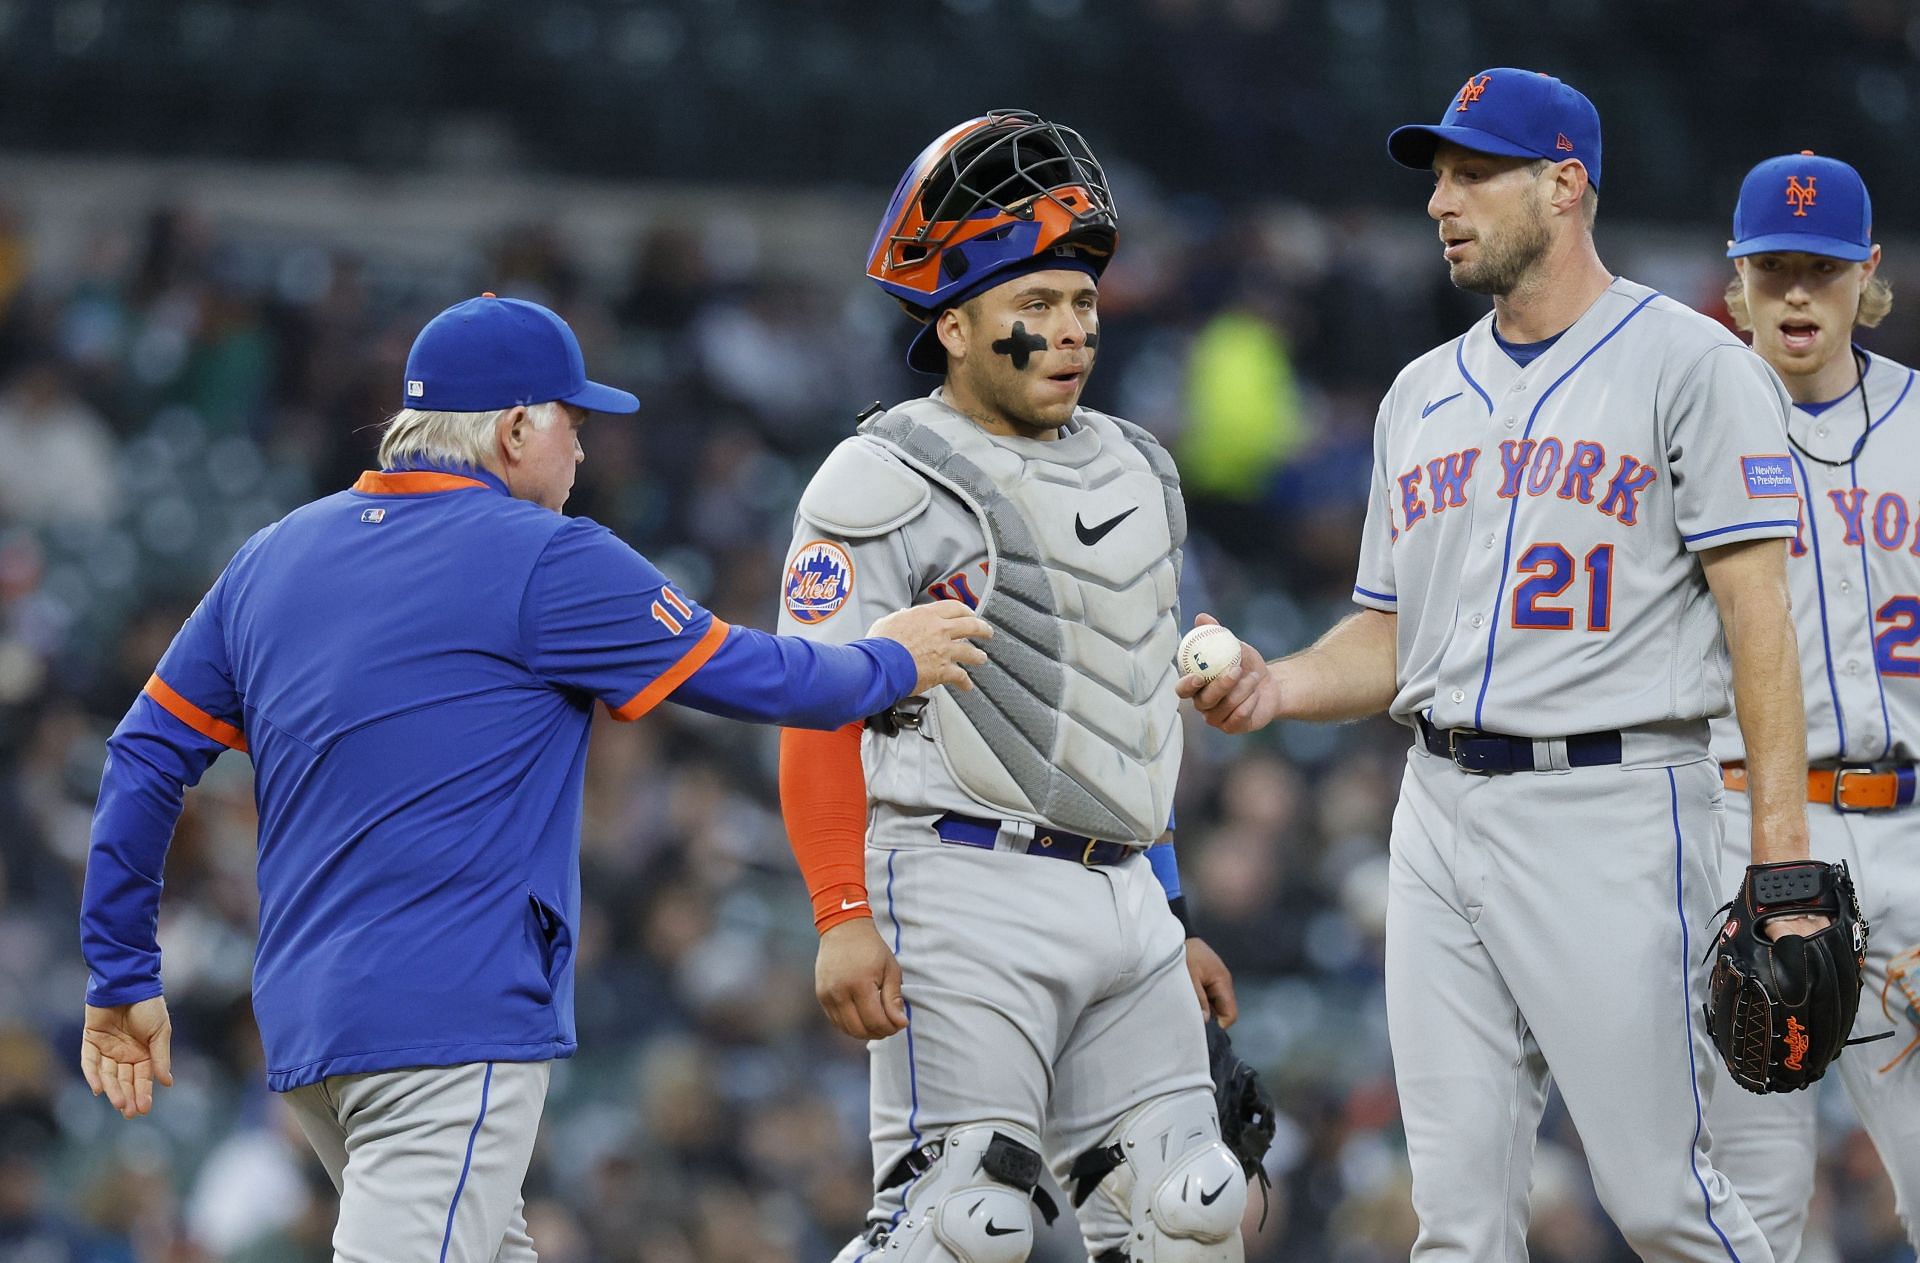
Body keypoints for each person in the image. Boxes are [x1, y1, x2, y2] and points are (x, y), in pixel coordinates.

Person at [77, 293, 991, 1263]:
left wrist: (120, 970)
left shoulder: (272, 558)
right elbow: (759, 675)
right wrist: (890, 657)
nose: (584, 453)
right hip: (448, 1017)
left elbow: (142, 755)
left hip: (312, 1027)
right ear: (515, 427)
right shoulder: (544, 558)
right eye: (574, 423)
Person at [1184, 68, 1823, 1260]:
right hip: (1435, 812)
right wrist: (1279, 685)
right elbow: (1387, 633)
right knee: (1457, 1225)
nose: (1443, 200)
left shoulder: (1691, 364)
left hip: (1615, 807)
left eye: (1475, 172)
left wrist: (1782, 863)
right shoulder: (1420, 395)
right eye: (1438, 176)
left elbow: (1762, 625)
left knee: (1662, 1202)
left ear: (1565, 185)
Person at [776, 110, 1248, 1262]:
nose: (1072, 330)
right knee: (962, 1230)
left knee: (1193, 1208)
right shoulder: (879, 475)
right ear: (952, 324)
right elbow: (812, 707)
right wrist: (840, 913)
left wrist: (1172, 911)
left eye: (1082, 302)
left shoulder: (1138, 465)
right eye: (1034, 307)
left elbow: (1125, 716)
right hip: (955, 881)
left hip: (1125, 894)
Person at [1703, 151, 1920, 1260]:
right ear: (1736, 276)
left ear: (1868, 272)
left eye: (1822, 269)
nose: (1797, 293)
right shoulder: (1681, 431)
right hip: (1742, 839)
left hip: (1909, 828)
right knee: (1754, 1214)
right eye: (1774, 266)